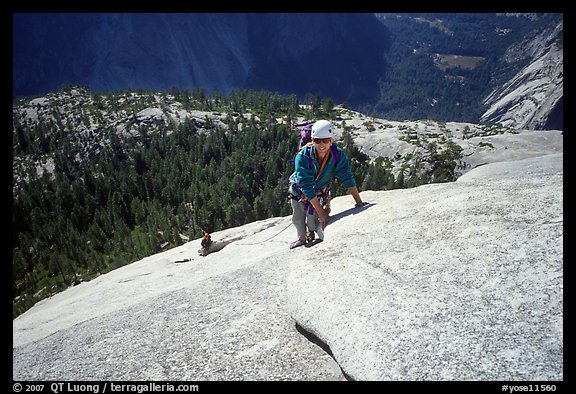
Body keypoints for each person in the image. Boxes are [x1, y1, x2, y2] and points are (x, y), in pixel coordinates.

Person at [288, 120, 366, 249]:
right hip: (299, 191)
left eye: (325, 140)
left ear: (331, 141)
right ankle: (301, 238)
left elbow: (346, 176)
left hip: (318, 191)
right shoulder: (303, 157)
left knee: (313, 220)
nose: (321, 144)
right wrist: (322, 213)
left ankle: (311, 233)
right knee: (298, 217)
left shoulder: (337, 154)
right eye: (318, 141)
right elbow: (306, 186)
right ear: (312, 140)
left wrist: (358, 202)